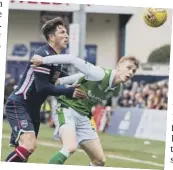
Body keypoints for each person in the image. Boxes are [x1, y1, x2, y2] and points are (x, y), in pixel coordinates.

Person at [30, 54, 139, 166]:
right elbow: (72, 59)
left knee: (99, 161)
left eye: (133, 71)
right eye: (128, 68)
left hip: (83, 116)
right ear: (118, 66)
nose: (130, 72)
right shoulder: (100, 74)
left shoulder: (117, 89)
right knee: (70, 147)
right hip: (67, 108)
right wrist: (43, 60)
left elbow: (83, 75)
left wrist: (61, 80)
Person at [4, 17, 87, 163]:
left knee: (26, 150)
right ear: (51, 37)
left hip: (33, 108)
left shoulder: (56, 59)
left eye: (66, 32)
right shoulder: (42, 55)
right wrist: (69, 91)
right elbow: (42, 88)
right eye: (62, 32)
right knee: (28, 145)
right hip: (19, 104)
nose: (66, 35)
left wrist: (88, 79)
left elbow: (67, 78)